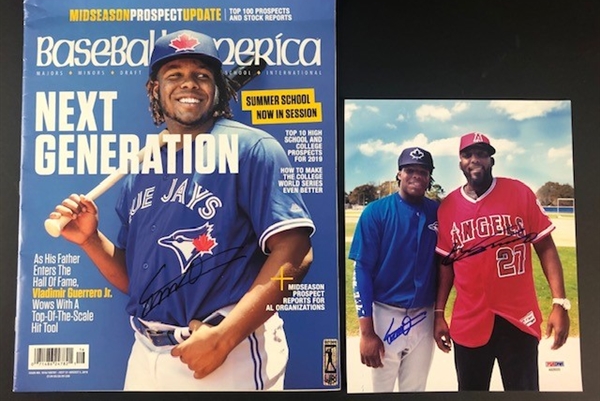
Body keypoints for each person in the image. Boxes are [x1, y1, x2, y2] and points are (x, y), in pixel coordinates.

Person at [48, 29, 315, 391]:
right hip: (144, 355)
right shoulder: (140, 169)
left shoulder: (253, 148)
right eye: (174, 75)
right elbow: (138, 282)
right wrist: (91, 240)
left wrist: (228, 335)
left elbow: (296, 256)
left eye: (201, 76)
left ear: (216, 87)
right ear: (155, 89)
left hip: (225, 351)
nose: (188, 84)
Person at [433, 132, 570, 391]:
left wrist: (559, 303)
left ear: (492, 160)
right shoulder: (448, 206)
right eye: (468, 154)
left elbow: (546, 248)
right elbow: (446, 266)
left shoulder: (519, 192)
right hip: (469, 320)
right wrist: (439, 313)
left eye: (482, 154)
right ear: (460, 162)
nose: (475, 160)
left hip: (518, 318)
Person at [348, 147, 439, 392]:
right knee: (380, 390)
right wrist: (366, 332)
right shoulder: (376, 212)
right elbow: (361, 272)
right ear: (399, 174)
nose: (416, 176)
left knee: (416, 389)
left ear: (429, 177)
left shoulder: (437, 212)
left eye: (423, 171)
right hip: (385, 312)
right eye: (410, 170)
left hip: (424, 314)